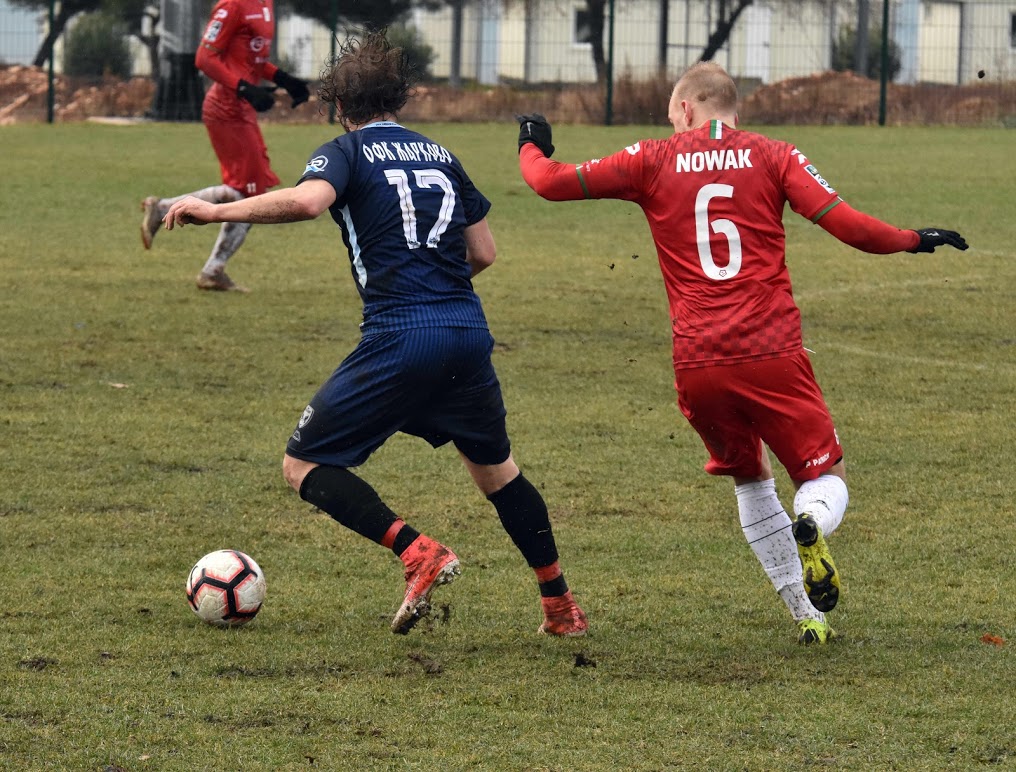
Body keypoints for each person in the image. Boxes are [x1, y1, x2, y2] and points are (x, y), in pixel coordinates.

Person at [516, 61, 968, 645]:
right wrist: (913, 239)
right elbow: (851, 227)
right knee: (824, 475)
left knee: (751, 481)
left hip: (697, 361)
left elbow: (548, 182)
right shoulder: (774, 155)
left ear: (685, 109)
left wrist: (531, 143)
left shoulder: (652, 158)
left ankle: (808, 615)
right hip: (770, 349)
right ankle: (811, 520)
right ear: (734, 109)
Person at [163, 29, 588, 637]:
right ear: (398, 99)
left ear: (340, 105)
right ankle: (560, 605)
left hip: (400, 335)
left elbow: (308, 202)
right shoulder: (442, 154)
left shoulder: (345, 151)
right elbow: (484, 253)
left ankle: (417, 552)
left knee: (303, 463)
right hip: (466, 331)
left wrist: (216, 209)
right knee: (498, 473)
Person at [140, 0, 310, 292]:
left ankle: (164, 209)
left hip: (242, 111)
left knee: (241, 191)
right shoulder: (232, 5)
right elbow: (205, 58)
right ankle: (212, 271)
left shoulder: (266, 4)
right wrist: (245, 88)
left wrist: (285, 79)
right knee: (251, 194)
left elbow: (251, 60)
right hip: (225, 109)